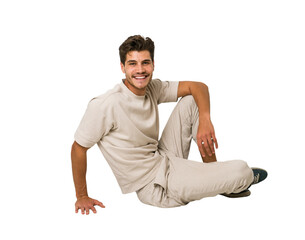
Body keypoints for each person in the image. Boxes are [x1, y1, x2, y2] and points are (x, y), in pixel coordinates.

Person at [71, 35, 267, 214]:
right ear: (122, 67)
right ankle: (227, 180)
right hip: (154, 186)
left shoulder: (152, 87)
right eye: (133, 64)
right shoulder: (106, 105)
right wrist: (81, 196)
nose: (140, 70)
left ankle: (215, 174)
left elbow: (198, 87)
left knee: (192, 100)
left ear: (153, 65)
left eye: (145, 63)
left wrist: (205, 121)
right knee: (241, 170)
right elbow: (78, 148)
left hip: (162, 158)